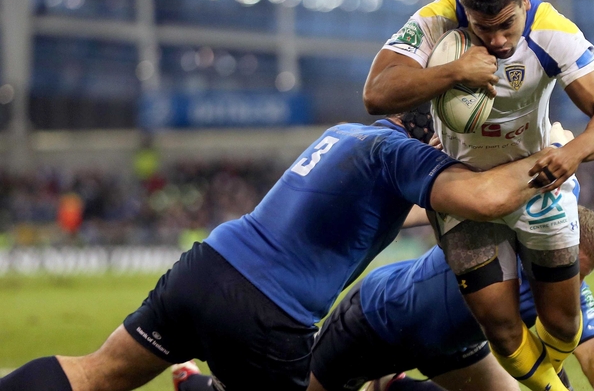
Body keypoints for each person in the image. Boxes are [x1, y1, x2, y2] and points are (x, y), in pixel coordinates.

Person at [0, 106, 553, 391]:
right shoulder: (403, 154)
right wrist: (559, 157)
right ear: (432, 137)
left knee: (98, 373)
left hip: (205, 268)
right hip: (267, 313)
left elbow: (403, 210)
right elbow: (478, 197)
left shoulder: (346, 136)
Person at [363, 0, 594, 391]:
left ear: (525, 0)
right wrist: (453, 71)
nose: (500, 41)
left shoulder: (550, 28)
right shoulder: (436, 20)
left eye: (508, 25)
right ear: (465, 10)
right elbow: (376, 94)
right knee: (501, 329)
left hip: (537, 180)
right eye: (485, 29)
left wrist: (573, 152)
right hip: (463, 189)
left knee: (562, 324)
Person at [306, 205, 594, 391]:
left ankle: (393, 387)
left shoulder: (569, 293)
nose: (571, 281)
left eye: (582, 275)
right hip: (378, 319)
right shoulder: (497, 236)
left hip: (451, 347)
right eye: (569, 267)